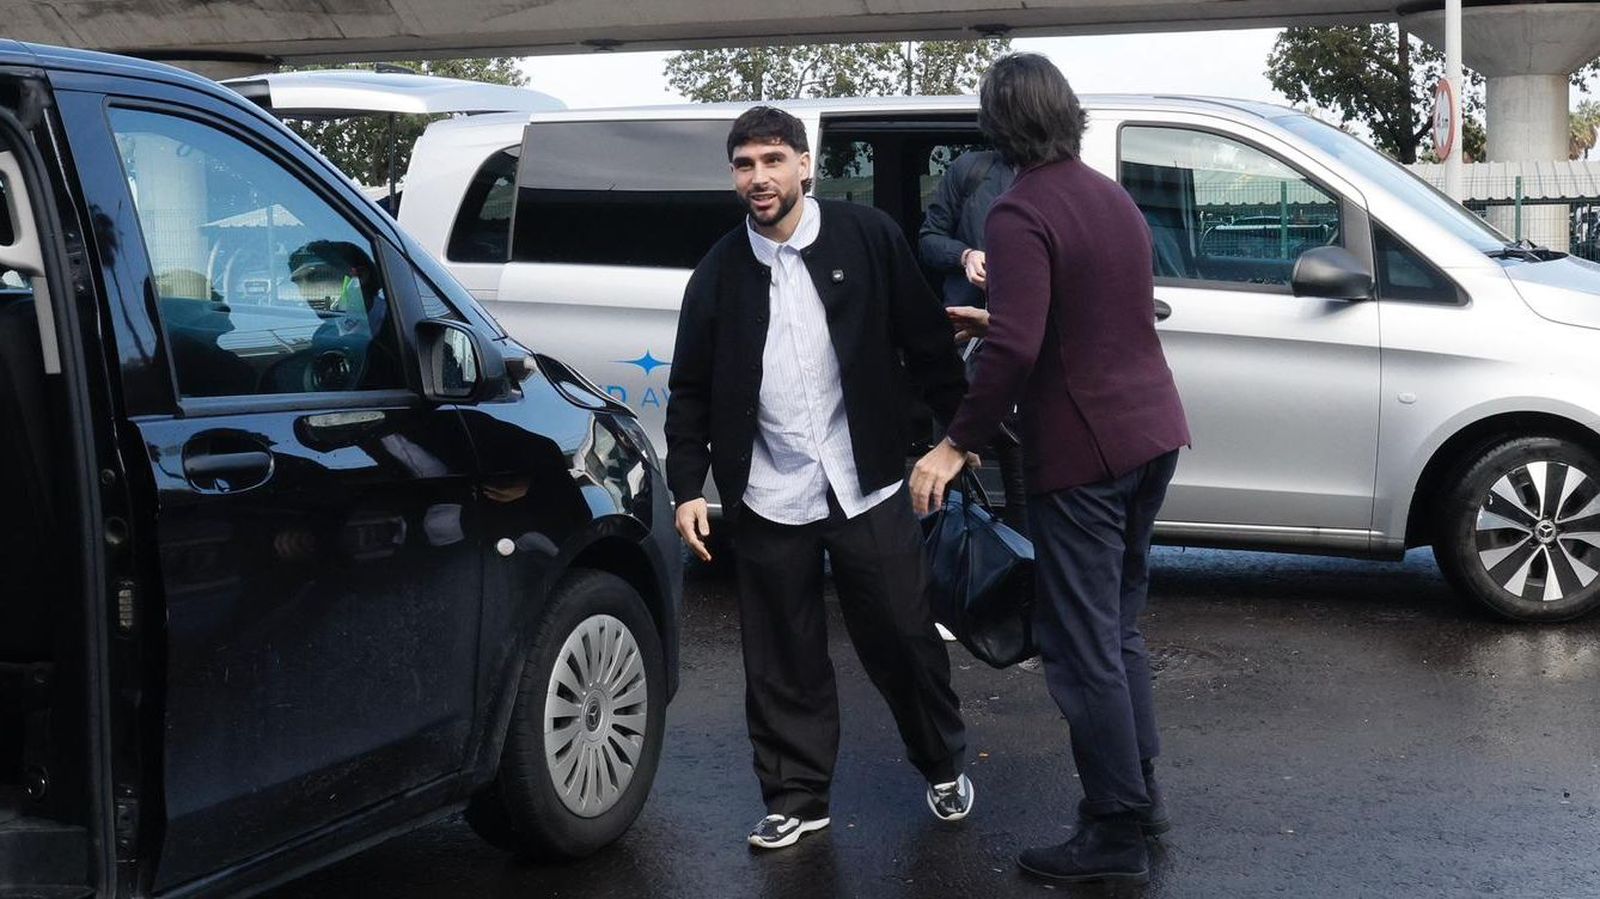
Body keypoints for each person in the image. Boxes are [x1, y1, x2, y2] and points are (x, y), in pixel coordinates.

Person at [909, 54, 1191, 885]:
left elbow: (1019, 349)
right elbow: (1087, 310)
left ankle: (1114, 834)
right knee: (1118, 627)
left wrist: (955, 442)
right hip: (1151, 433)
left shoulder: (1018, 208)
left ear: (996, 122)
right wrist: (996, 318)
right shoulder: (1110, 196)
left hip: (1085, 451)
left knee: (1077, 644)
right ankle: (1141, 798)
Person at [665, 106, 974, 851]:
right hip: (767, 490)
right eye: (745, 164)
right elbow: (690, 389)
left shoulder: (868, 237)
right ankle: (797, 796)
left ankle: (941, 762)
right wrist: (687, 487)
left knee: (902, 635)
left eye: (773, 160)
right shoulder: (717, 273)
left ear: (805, 166)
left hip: (864, 480)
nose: (759, 177)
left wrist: (960, 435)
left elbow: (927, 341)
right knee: (781, 655)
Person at [918, 148, 1028, 536]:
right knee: (946, 478)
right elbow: (928, 240)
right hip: (962, 343)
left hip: (1018, 344)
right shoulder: (971, 170)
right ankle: (942, 558)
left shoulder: (1054, 177)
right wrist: (964, 255)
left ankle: (1023, 561)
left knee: (1021, 476)